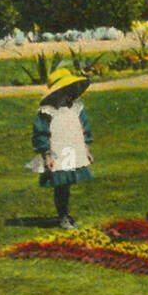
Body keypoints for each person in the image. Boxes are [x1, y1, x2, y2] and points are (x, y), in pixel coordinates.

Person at [30, 67, 94, 229]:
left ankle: (65, 214)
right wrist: (47, 155)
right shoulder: (48, 111)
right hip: (58, 153)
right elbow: (41, 133)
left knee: (67, 185)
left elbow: (83, 129)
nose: (70, 95)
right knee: (61, 185)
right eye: (66, 91)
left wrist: (86, 149)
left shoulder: (77, 108)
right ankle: (62, 216)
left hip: (73, 150)